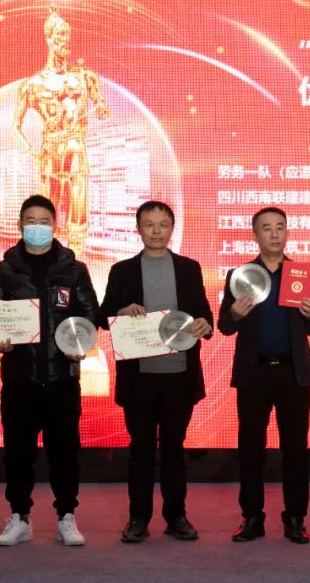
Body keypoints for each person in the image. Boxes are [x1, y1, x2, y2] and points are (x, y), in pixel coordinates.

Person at [0, 194, 99, 547]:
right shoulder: (3, 270)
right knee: (17, 452)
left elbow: (90, 314)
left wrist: (80, 342)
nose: (37, 227)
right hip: (19, 378)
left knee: (64, 452)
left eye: (44, 221)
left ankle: (67, 516)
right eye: (31, 221)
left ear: (55, 225)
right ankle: (19, 517)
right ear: (20, 225)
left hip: (61, 377)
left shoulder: (73, 269)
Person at [100, 201, 214, 543]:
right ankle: (138, 518)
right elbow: (103, 315)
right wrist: (122, 311)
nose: (156, 230)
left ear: (171, 228)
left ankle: (176, 516)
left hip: (179, 375)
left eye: (163, 224)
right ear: (138, 229)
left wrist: (204, 325)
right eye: (149, 224)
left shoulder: (189, 268)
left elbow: (205, 316)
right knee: (141, 449)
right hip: (139, 378)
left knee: (174, 449)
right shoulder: (122, 271)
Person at [219, 207, 310, 544]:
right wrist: (235, 314)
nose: (275, 234)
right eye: (267, 228)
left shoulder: (301, 274)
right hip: (254, 374)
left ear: (287, 232)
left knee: (295, 449)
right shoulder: (240, 275)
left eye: (280, 227)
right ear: (255, 234)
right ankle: (252, 517)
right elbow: (224, 326)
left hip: (293, 374)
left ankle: (295, 517)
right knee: (251, 448)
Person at [14, 5, 109, 256]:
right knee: (47, 212)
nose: (64, 40)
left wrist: (100, 107)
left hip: (75, 147)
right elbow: (17, 126)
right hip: (50, 151)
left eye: (66, 35)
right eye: (59, 35)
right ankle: (47, 264)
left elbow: (101, 105)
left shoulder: (85, 78)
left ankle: (76, 264)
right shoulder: (33, 85)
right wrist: (31, 151)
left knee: (78, 210)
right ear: (48, 39)